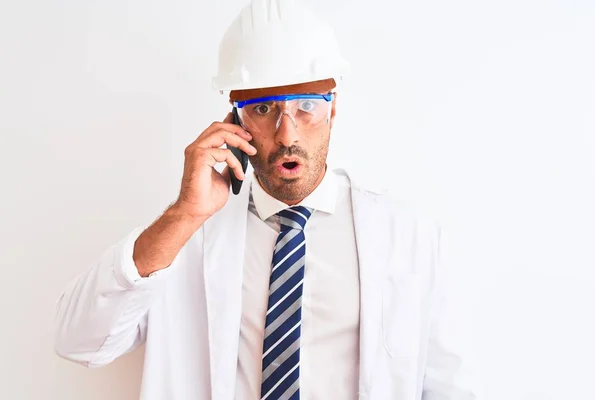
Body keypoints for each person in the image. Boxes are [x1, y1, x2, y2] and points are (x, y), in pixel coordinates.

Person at [54, 0, 480, 399]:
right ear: (234, 118)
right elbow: (79, 342)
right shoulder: (187, 238)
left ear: (333, 109)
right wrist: (185, 215)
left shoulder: (411, 237)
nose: (287, 134)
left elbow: (449, 386)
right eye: (262, 109)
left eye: (307, 106)